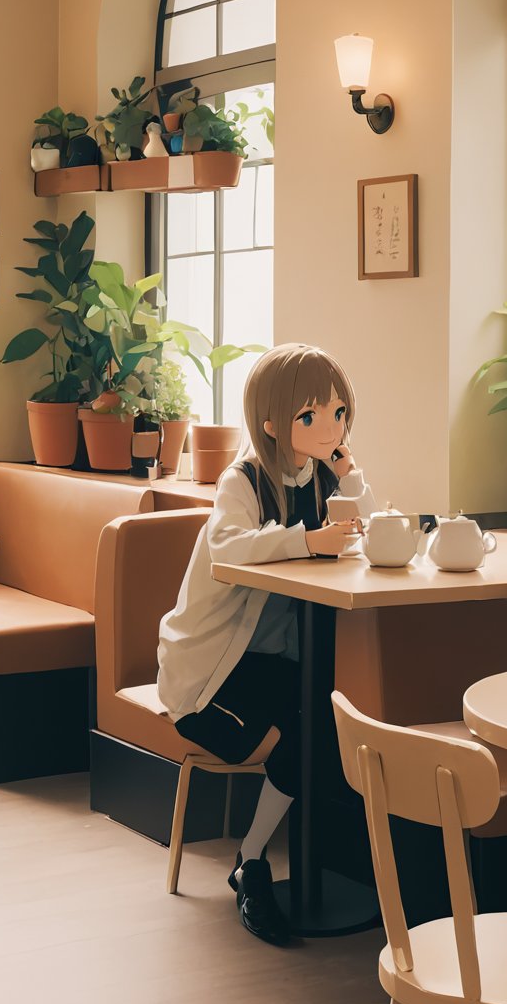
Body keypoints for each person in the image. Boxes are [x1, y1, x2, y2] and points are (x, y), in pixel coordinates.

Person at [156, 344, 370, 946]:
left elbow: (368, 529)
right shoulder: (244, 479)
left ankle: (251, 860)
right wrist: (309, 541)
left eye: (337, 413)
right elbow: (229, 548)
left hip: (275, 666)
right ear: (272, 422)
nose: (328, 427)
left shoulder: (325, 477)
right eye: (311, 417)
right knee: (300, 746)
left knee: (325, 735)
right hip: (207, 677)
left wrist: (352, 475)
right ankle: (254, 870)